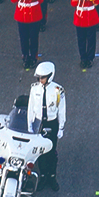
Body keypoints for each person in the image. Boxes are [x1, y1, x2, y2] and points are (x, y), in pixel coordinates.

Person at [26, 62, 66, 190]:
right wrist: (30, 125)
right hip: (39, 123)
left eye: (42, 77)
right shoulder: (34, 89)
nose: (40, 80)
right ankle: (43, 176)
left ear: (50, 76)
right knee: (40, 152)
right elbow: (31, 107)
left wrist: (61, 127)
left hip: (52, 122)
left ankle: (52, 177)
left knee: (51, 152)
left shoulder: (58, 90)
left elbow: (61, 109)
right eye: (39, 78)